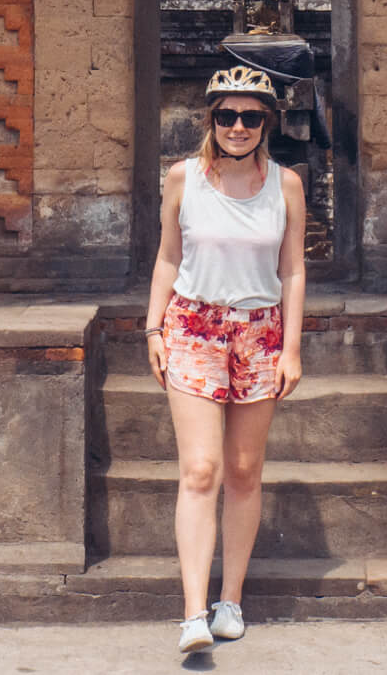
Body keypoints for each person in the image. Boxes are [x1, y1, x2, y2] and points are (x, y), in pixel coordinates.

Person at [145, 64, 307, 654]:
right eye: (227, 115)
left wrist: (291, 347)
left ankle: (230, 599)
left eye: (251, 117)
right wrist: (152, 329)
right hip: (193, 327)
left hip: (261, 334)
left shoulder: (285, 185)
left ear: (267, 124)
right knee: (201, 470)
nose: (238, 126)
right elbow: (167, 257)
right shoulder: (183, 177)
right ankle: (193, 613)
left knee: (243, 471)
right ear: (210, 120)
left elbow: (292, 268)